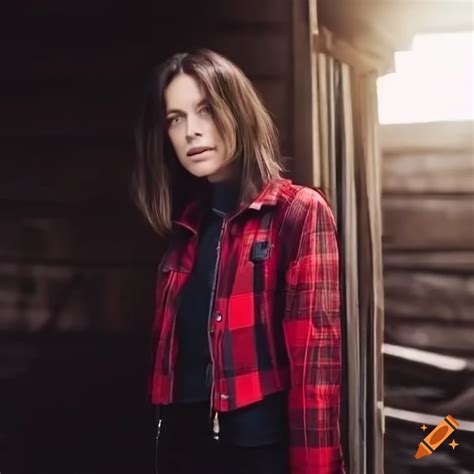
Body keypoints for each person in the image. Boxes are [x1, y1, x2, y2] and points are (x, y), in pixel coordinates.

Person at [132, 48, 346, 474]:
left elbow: (315, 377)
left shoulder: (297, 212)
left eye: (205, 110)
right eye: (175, 118)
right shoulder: (186, 227)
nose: (191, 131)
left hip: (258, 455)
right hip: (181, 451)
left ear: (238, 111)